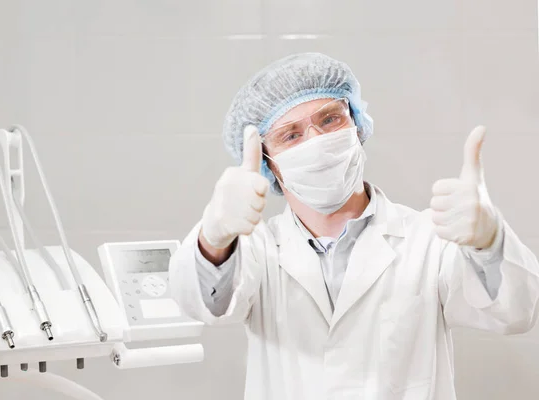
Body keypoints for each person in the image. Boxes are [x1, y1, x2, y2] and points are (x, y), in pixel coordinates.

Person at [169, 52, 539, 399]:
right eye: (291, 135)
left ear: (358, 125)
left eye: (330, 119)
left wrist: (489, 244)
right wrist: (214, 239)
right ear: (269, 163)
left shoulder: (429, 239)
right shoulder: (257, 251)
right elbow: (206, 308)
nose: (317, 141)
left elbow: (515, 313)